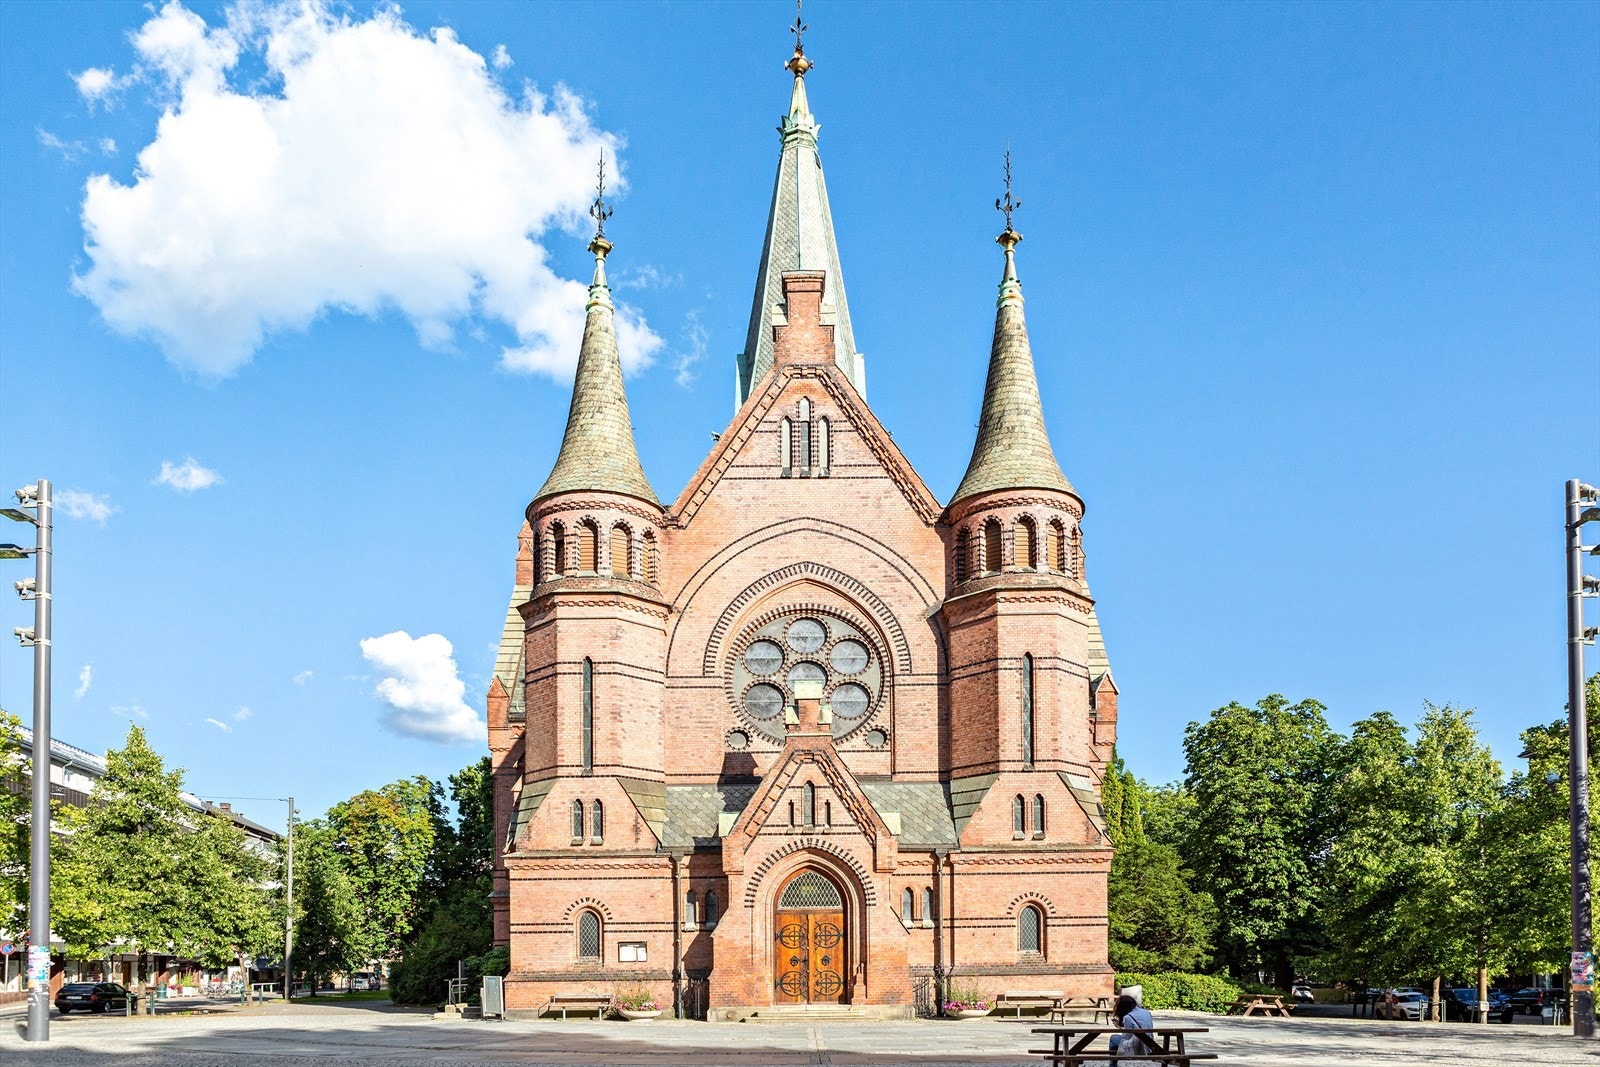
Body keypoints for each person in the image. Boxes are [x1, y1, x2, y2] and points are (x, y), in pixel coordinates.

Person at [1109, 992, 1155, 1061]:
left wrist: (1120, 1028)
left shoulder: (1128, 1017)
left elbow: (1127, 1037)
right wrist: (1122, 1026)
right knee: (1114, 1044)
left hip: (1137, 1047)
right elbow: (1140, 1026)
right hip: (1150, 1045)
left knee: (1113, 1038)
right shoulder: (1146, 1012)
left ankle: (1112, 1065)